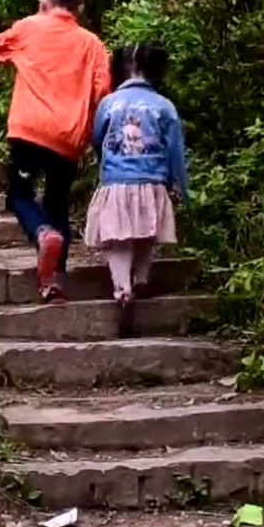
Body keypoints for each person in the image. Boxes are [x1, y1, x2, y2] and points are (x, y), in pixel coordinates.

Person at [0, 0, 111, 301]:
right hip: (67, 138)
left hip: (28, 130)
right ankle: (54, 280)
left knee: (20, 195)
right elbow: (103, 90)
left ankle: (41, 233)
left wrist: (37, 18)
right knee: (57, 201)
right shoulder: (92, 44)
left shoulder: (29, 27)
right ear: (80, 7)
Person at [87, 43, 186, 328]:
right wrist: (180, 184)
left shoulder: (109, 103)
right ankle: (141, 278)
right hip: (153, 180)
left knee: (117, 236)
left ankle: (122, 288)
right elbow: (175, 150)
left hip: (117, 179)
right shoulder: (165, 106)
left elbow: (97, 138)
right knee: (146, 231)